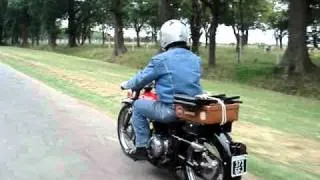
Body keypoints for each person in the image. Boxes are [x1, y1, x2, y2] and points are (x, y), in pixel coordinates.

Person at [120, 19, 203, 160]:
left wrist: (127, 84)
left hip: (171, 109)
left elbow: (142, 78)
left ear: (165, 38)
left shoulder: (161, 60)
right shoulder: (195, 59)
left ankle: (141, 147)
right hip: (191, 107)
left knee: (138, 106)